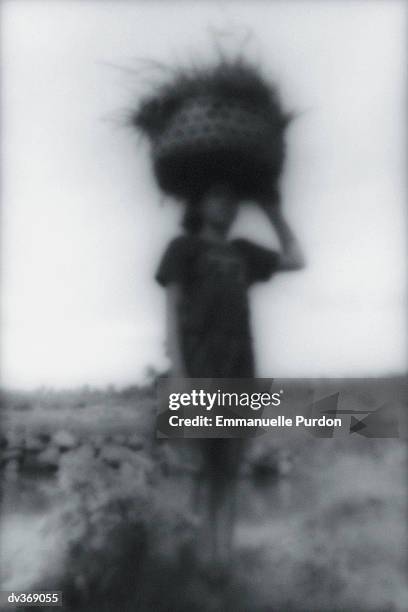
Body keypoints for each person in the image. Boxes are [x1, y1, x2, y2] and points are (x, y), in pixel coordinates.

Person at [155, 182, 305, 563]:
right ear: (200, 203)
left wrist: (274, 212)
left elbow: (297, 259)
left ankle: (224, 562)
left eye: (232, 198)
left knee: (231, 469)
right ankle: (202, 561)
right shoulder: (182, 248)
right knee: (206, 468)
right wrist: (179, 373)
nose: (227, 204)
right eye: (217, 196)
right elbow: (171, 310)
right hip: (199, 368)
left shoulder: (244, 253)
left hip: (242, 370)